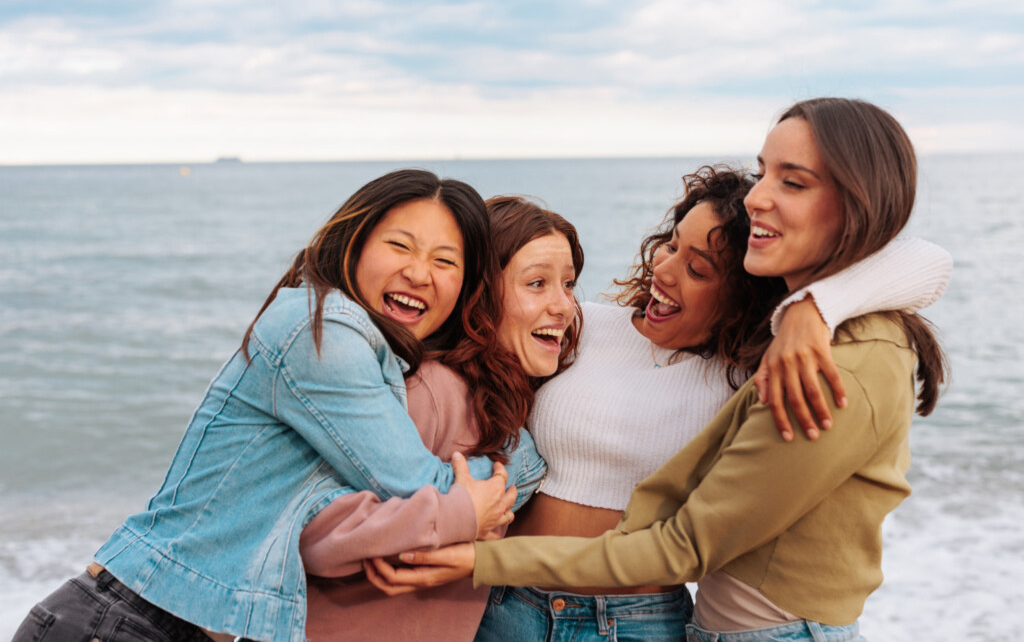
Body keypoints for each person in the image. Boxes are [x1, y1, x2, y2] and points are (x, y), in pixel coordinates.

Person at [368, 100, 951, 642]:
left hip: (641, 621)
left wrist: (810, 309)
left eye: (698, 268)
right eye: (671, 246)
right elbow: (471, 310)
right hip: (507, 604)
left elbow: (927, 261)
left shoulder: (761, 372)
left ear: (744, 290)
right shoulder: (580, 325)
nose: (667, 270)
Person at [12, 170, 545, 642]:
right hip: (126, 622)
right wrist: (509, 476)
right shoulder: (322, 333)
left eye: (444, 261)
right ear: (354, 243)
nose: (418, 272)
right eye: (400, 246)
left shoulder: (381, 361)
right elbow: (411, 482)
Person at [298, 196, 584, 641]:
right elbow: (316, 535)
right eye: (537, 284)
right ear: (480, 293)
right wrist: (464, 519)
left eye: (568, 284)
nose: (564, 306)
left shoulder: (500, 400)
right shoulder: (431, 390)